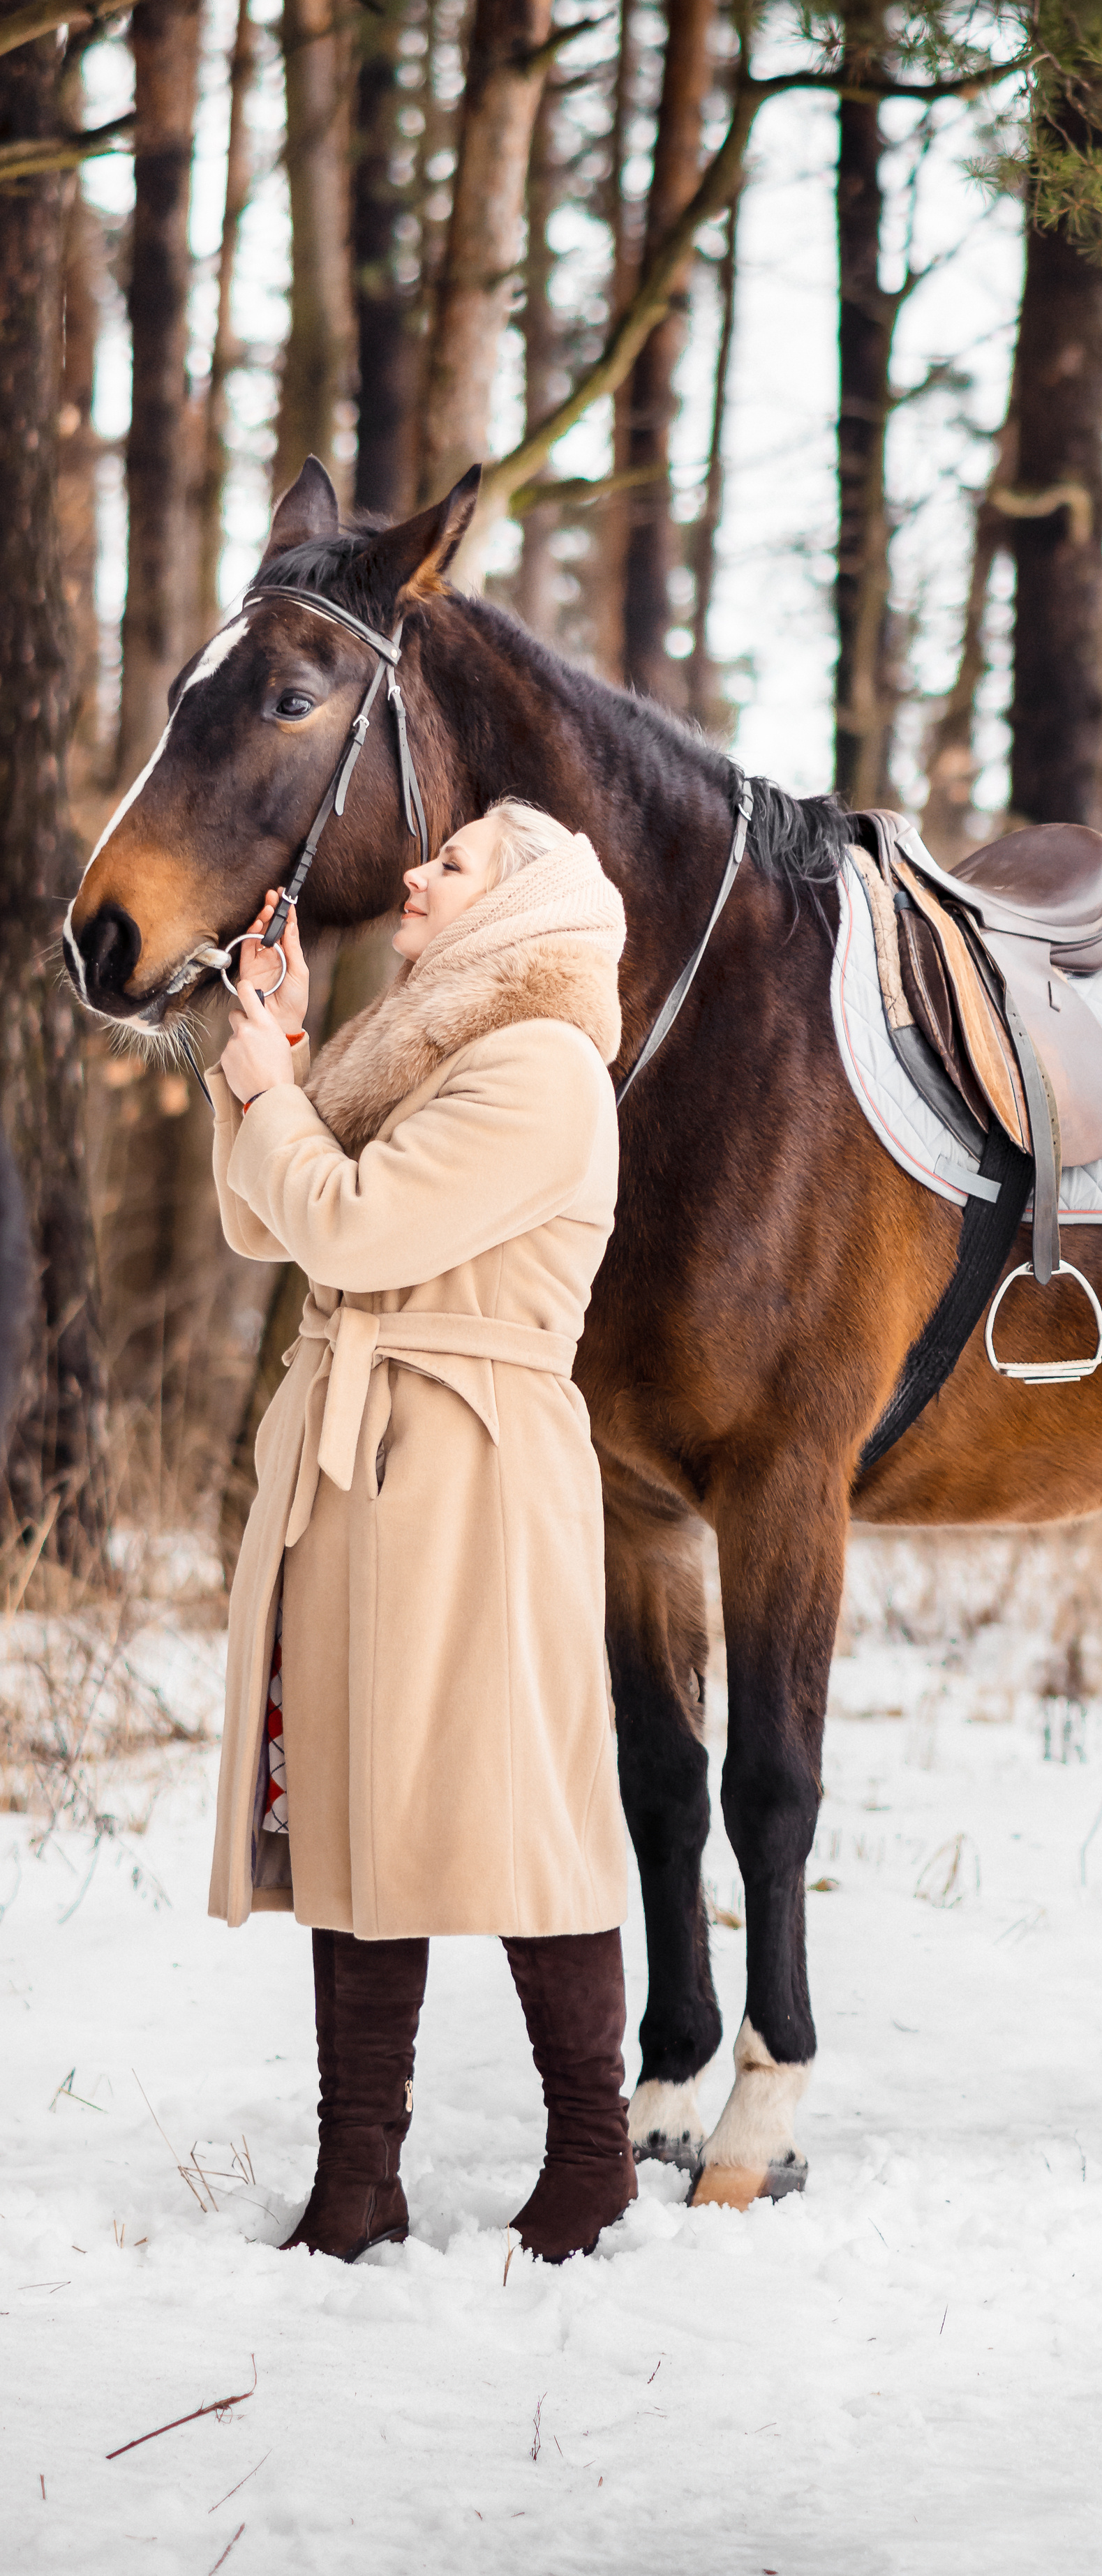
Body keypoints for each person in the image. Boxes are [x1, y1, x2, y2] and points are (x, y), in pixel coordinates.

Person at [207, 800, 634, 2267]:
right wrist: (273, 1051)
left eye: (456, 862)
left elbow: (351, 1224)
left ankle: (593, 2158)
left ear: (523, 908)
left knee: (521, 1805)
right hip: (365, 1460)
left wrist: (278, 1096)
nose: (417, 870)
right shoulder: (426, 1054)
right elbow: (270, 1220)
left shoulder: (542, 1066)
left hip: (474, 1470)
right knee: (351, 1804)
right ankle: (357, 2177)